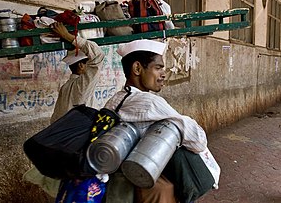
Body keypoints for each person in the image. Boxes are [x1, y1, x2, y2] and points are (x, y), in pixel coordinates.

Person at [103, 39, 220, 203]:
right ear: (137, 68)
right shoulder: (149, 102)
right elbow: (197, 141)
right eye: (158, 68)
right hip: (146, 180)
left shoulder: (116, 99)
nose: (163, 74)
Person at [23, 21, 105, 199]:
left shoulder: (66, 87)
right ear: (82, 67)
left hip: (61, 148)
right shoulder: (81, 86)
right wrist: (69, 37)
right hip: (75, 150)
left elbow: (55, 119)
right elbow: (98, 56)